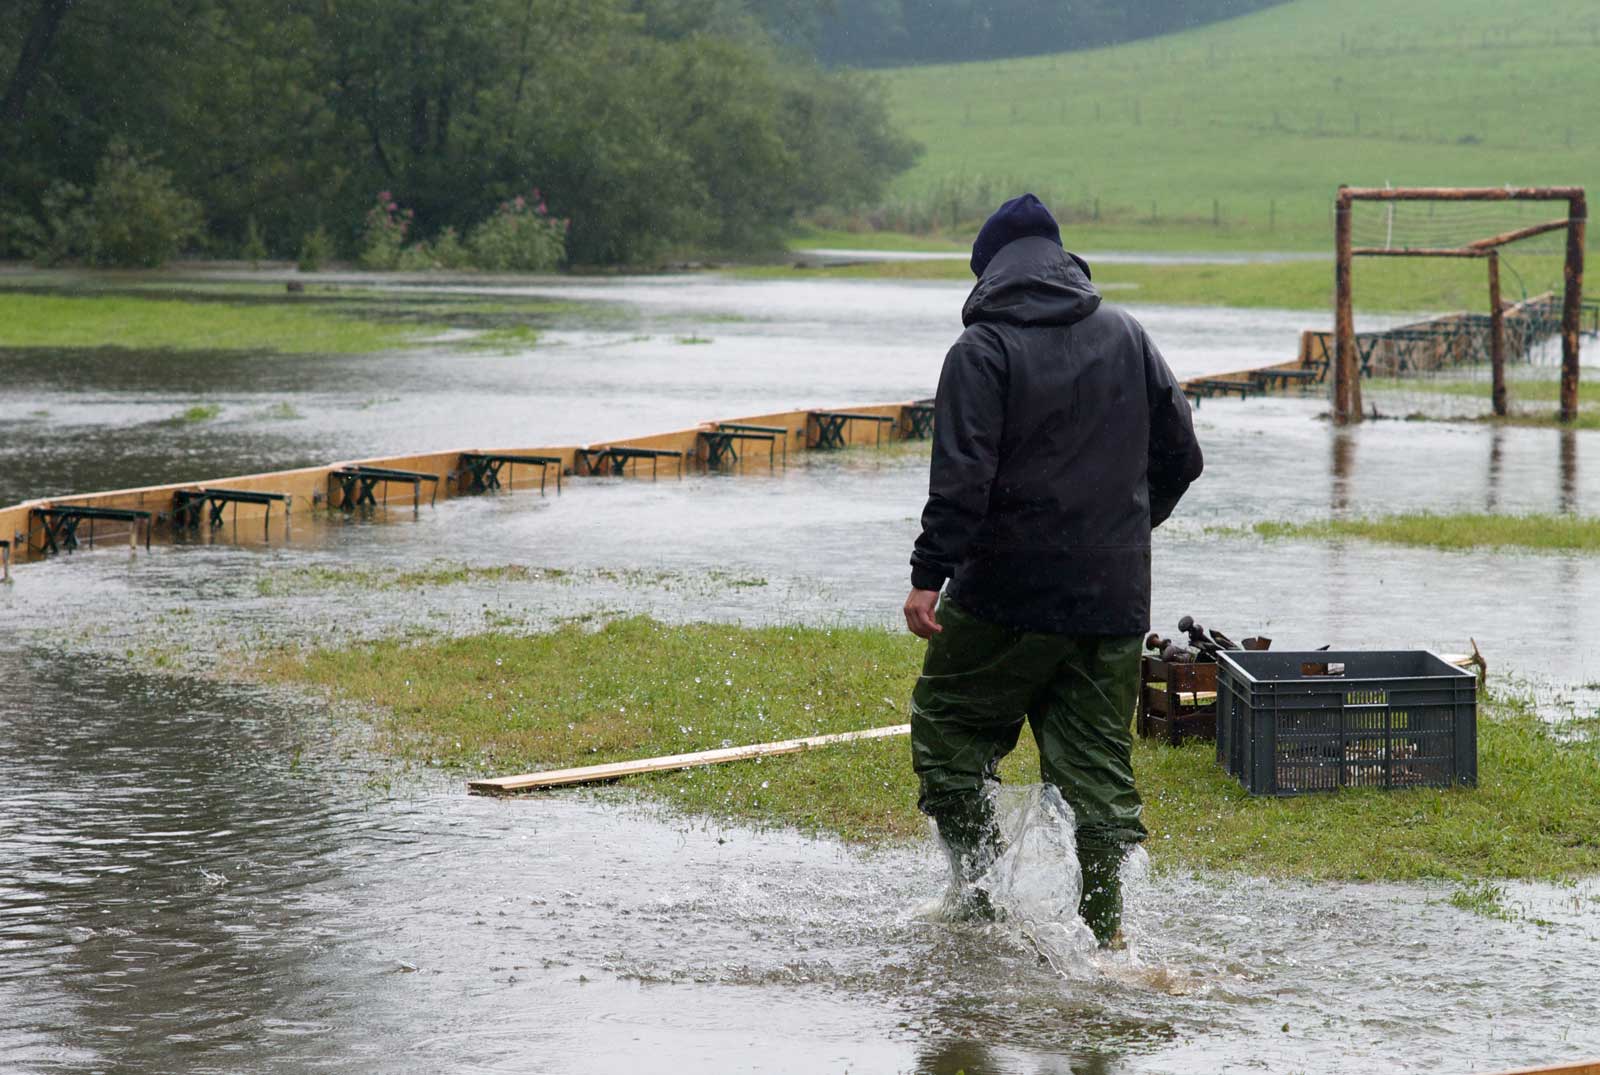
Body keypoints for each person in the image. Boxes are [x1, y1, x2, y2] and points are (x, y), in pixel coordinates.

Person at [902, 193, 1204, 948]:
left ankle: (975, 897)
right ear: (1063, 259)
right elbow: (1184, 458)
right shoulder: (1129, 336)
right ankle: (1106, 937)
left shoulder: (981, 351)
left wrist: (928, 572)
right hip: (1112, 600)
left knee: (948, 729)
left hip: (1005, 596)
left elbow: (962, 478)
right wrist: (1124, 529)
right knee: (1099, 772)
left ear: (989, 273)